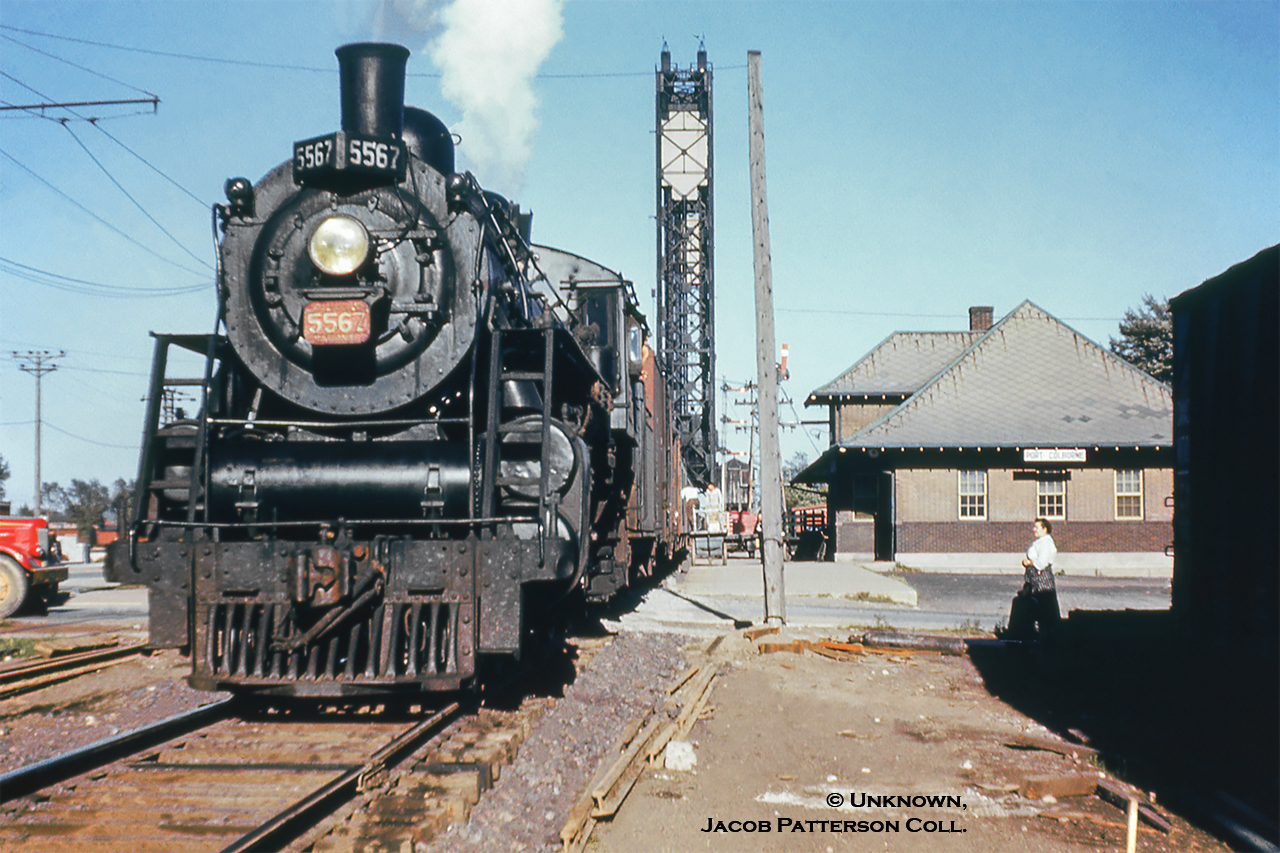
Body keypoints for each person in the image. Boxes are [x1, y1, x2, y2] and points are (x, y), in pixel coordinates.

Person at [1001, 517, 1060, 642]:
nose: (1034, 530)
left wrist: (1029, 563)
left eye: (1037, 527)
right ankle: (1029, 634)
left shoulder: (1046, 543)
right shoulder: (1040, 542)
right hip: (1034, 580)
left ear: (1044, 529)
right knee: (1031, 604)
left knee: (1044, 606)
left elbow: (1041, 563)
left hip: (1042, 580)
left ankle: (1047, 637)